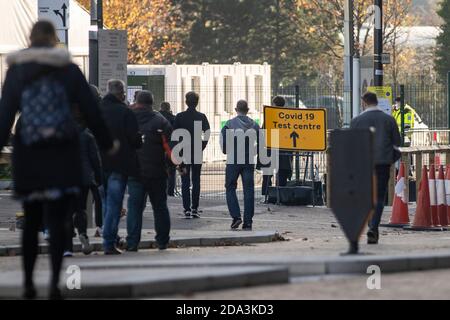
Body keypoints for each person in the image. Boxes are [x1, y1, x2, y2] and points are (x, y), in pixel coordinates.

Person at [0, 21, 114, 299]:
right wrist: (107, 143)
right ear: (54, 40)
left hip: (29, 152)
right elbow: (91, 110)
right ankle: (53, 284)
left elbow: (5, 114)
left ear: (30, 38)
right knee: (59, 219)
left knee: (33, 217)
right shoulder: (69, 70)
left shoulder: (17, 70)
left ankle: (28, 283)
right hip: (62, 153)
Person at [351, 92, 401, 245]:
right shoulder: (389, 120)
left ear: (364, 103)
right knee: (379, 197)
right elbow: (397, 142)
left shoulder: (356, 121)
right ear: (376, 101)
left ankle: (368, 224)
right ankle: (374, 226)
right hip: (382, 163)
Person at [100, 79, 142, 255]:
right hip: (119, 163)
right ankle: (109, 241)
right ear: (121, 94)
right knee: (114, 204)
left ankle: (109, 235)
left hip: (100, 163)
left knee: (104, 202)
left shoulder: (97, 110)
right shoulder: (125, 112)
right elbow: (134, 140)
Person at [128, 91, 173, 250]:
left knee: (134, 208)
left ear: (137, 101)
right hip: (157, 172)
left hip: (135, 171)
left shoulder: (129, 119)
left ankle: (132, 242)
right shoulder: (161, 122)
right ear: (152, 103)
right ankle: (162, 241)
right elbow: (169, 149)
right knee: (160, 207)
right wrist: (175, 166)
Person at [64, 107, 103, 257]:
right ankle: (83, 234)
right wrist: (98, 177)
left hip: (65, 177)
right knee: (81, 209)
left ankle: (67, 248)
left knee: (67, 212)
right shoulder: (87, 136)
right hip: (83, 177)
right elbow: (95, 159)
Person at [221, 100, 260, 230]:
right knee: (249, 190)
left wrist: (227, 151)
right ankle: (248, 222)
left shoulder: (229, 124)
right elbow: (261, 143)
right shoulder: (254, 125)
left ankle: (236, 217)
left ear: (236, 109)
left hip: (233, 161)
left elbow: (224, 142)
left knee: (230, 187)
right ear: (247, 109)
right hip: (248, 161)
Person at [173, 92, 210, 219]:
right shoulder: (201, 116)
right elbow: (207, 132)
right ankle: (195, 208)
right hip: (196, 151)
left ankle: (186, 208)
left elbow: (174, 135)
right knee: (196, 180)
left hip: (184, 152)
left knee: (185, 180)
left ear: (186, 102)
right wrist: (202, 145)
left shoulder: (180, 117)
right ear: (197, 102)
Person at [260, 96, 293, 196]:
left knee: (267, 174)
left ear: (274, 104)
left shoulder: (270, 116)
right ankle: (281, 195)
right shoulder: (287, 117)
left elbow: (263, 131)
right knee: (282, 173)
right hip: (284, 148)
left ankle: (267, 195)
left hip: (270, 147)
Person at [89, 85, 104, 237]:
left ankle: (77, 227)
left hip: (79, 159)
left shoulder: (77, 109)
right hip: (99, 157)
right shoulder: (101, 110)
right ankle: (100, 225)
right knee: (99, 195)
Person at [159, 102, 176, 196]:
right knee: (171, 171)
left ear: (161, 108)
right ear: (169, 108)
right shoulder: (174, 118)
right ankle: (170, 192)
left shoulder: (156, 117)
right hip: (171, 147)